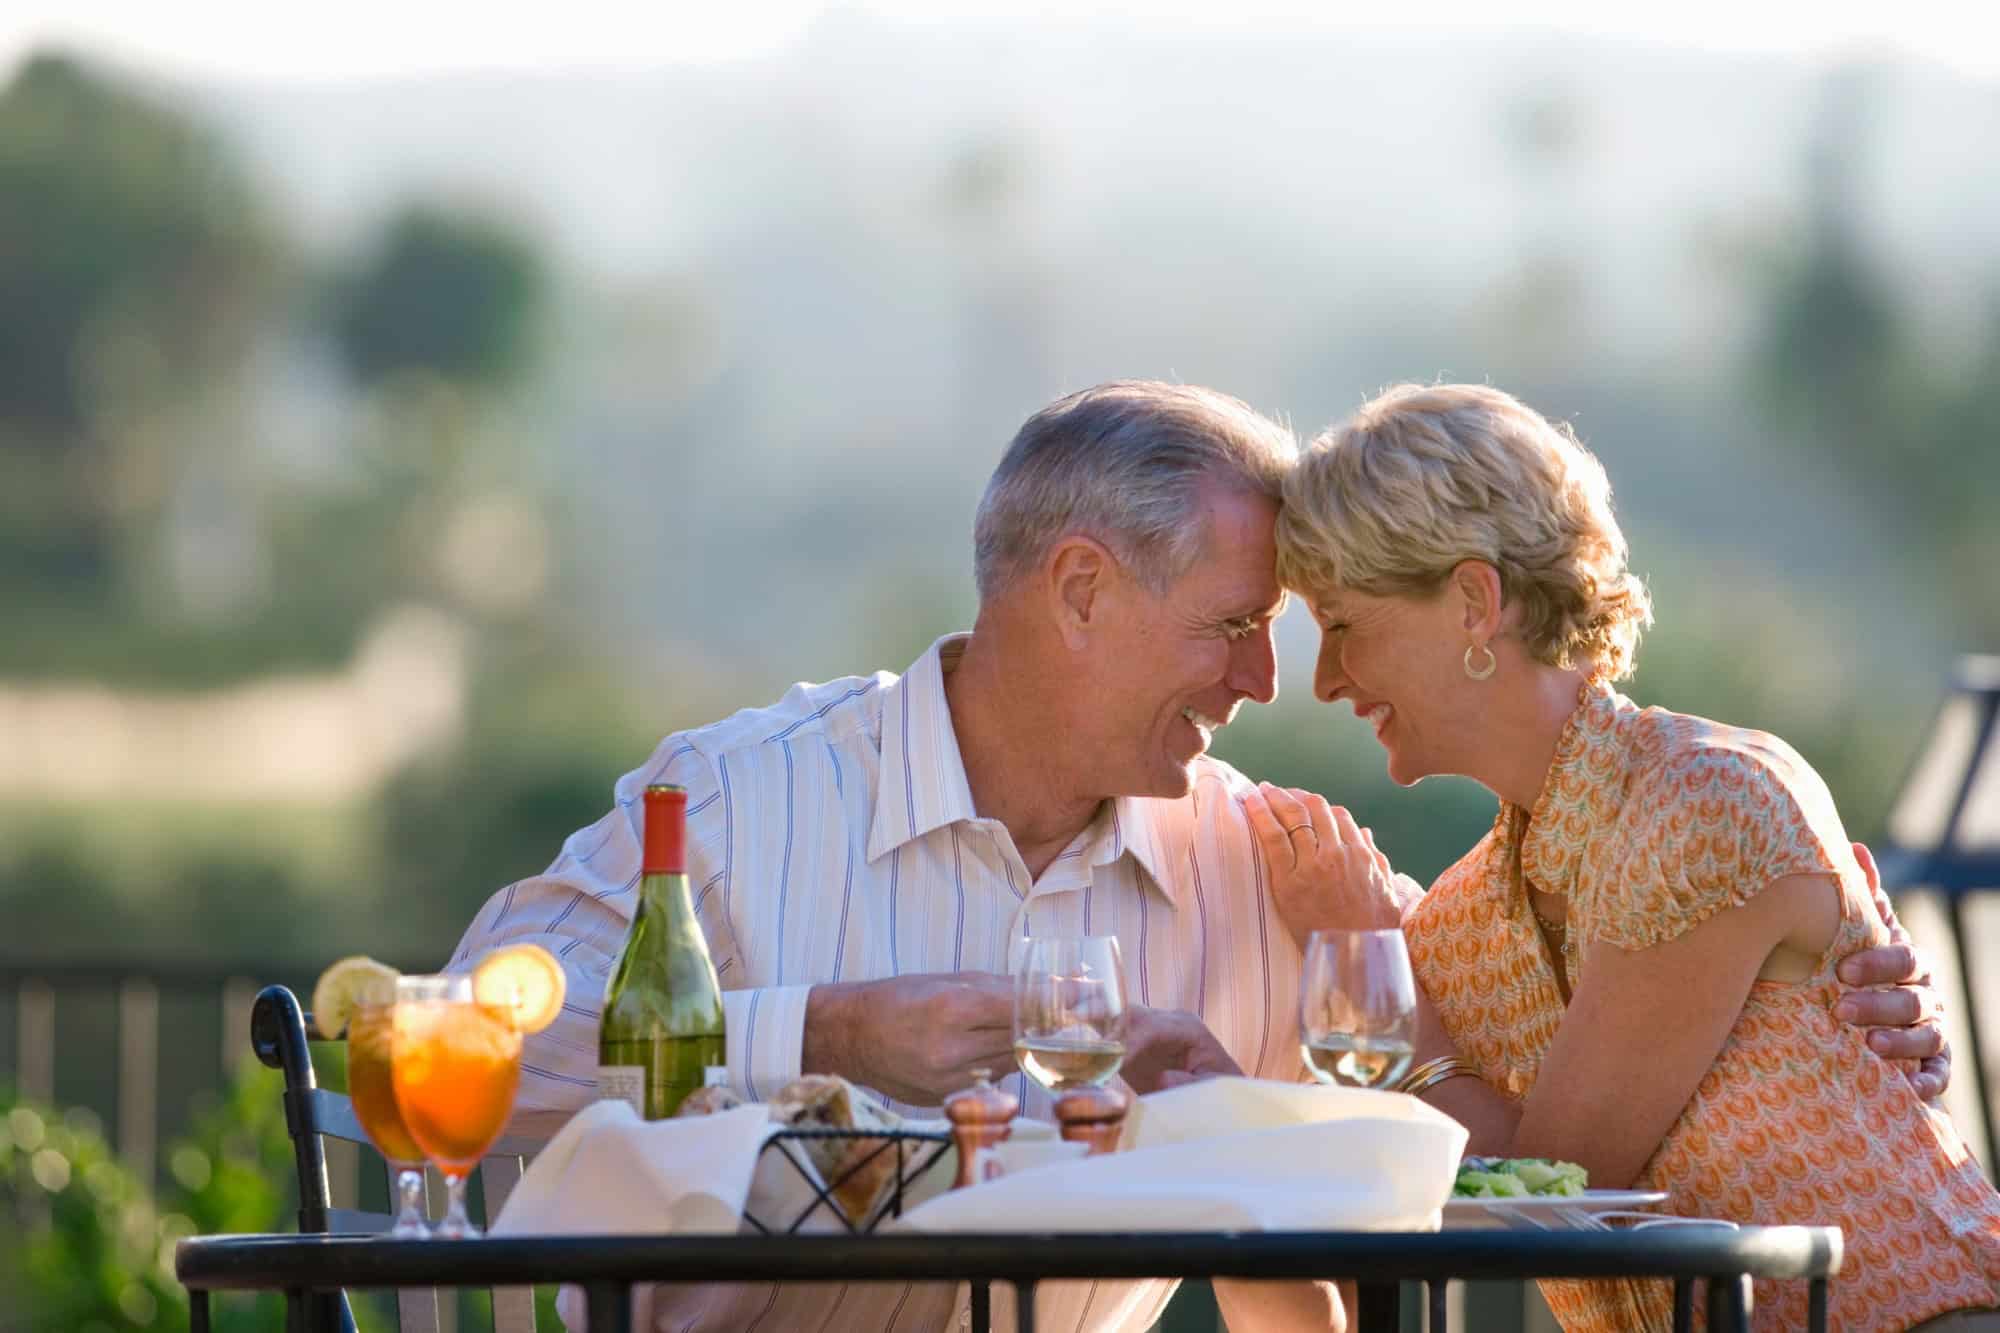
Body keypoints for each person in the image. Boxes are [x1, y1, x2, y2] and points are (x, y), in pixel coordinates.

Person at [451, 380, 1948, 1333]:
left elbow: (1492, 1069)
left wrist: (1853, 982)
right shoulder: (736, 800)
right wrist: (822, 1032)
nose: (1269, 682)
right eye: (1234, 627)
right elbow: (463, 1046)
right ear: (1081, 590)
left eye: (1301, 629)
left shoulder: (1263, 860)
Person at [1251, 381, 1997, 1331]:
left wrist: (1379, 976)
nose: (1324, 679)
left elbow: (1557, 1188)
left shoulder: (1705, 798)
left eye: (1343, 626)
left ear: (1475, 602)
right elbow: (1418, 1159)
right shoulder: (1462, 915)